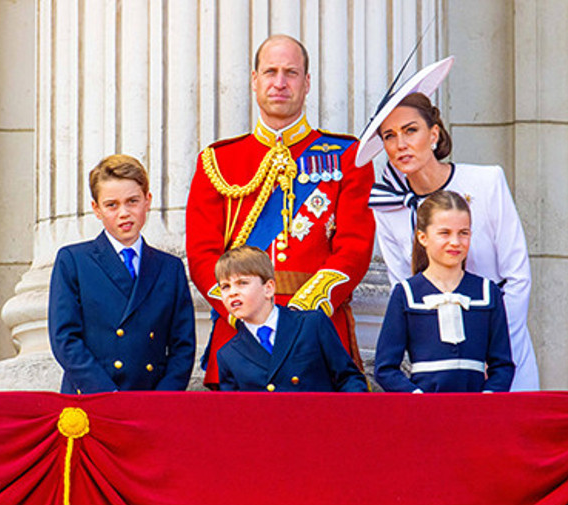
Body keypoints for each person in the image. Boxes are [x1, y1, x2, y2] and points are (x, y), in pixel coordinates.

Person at [186, 34, 375, 388]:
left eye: (291, 72)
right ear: (254, 81)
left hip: (316, 331)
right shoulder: (217, 160)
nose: (279, 82)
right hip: (240, 334)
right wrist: (242, 308)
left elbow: (355, 246)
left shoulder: (348, 156)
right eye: (270, 71)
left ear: (307, 84)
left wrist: (303, 317)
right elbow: (201, 254)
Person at [356, 59, 539, 390]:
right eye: (389, 135)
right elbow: (404, 287)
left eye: (411, 130)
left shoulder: (487, 181)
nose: (400, 144)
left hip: (500, 356)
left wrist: (491, 351)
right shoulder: (387, 205)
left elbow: (517, 277)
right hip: (437, 368)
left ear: (434, 133)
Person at [48, 154, 196, 393]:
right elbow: (64, 339)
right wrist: (107, 395)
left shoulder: (170, 268)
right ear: (96, 209)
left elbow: (183, 346)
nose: (124, 213)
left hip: (151, 402)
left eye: (132, 201)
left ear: (148, 200)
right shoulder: (74, 260)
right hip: (91, 397)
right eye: (112, 205)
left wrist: (162, 399)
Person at [374, 190, 515, 393]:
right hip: (424, 413)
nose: (455, 242)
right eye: (444, 233)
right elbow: (385, 368)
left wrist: (488, 397)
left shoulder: (487, 291)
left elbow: (502, 365)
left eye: (463, 233)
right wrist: (416, 397)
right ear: (423, 237)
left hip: (476, 412)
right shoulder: (406, 293)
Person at [215, 246, 367, 392]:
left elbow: (349, 380)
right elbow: (234, 412)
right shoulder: (228, 355)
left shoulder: (311, 325)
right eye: (225, 287)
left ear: (268, 288)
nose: (232, 292)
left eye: (242, 283)